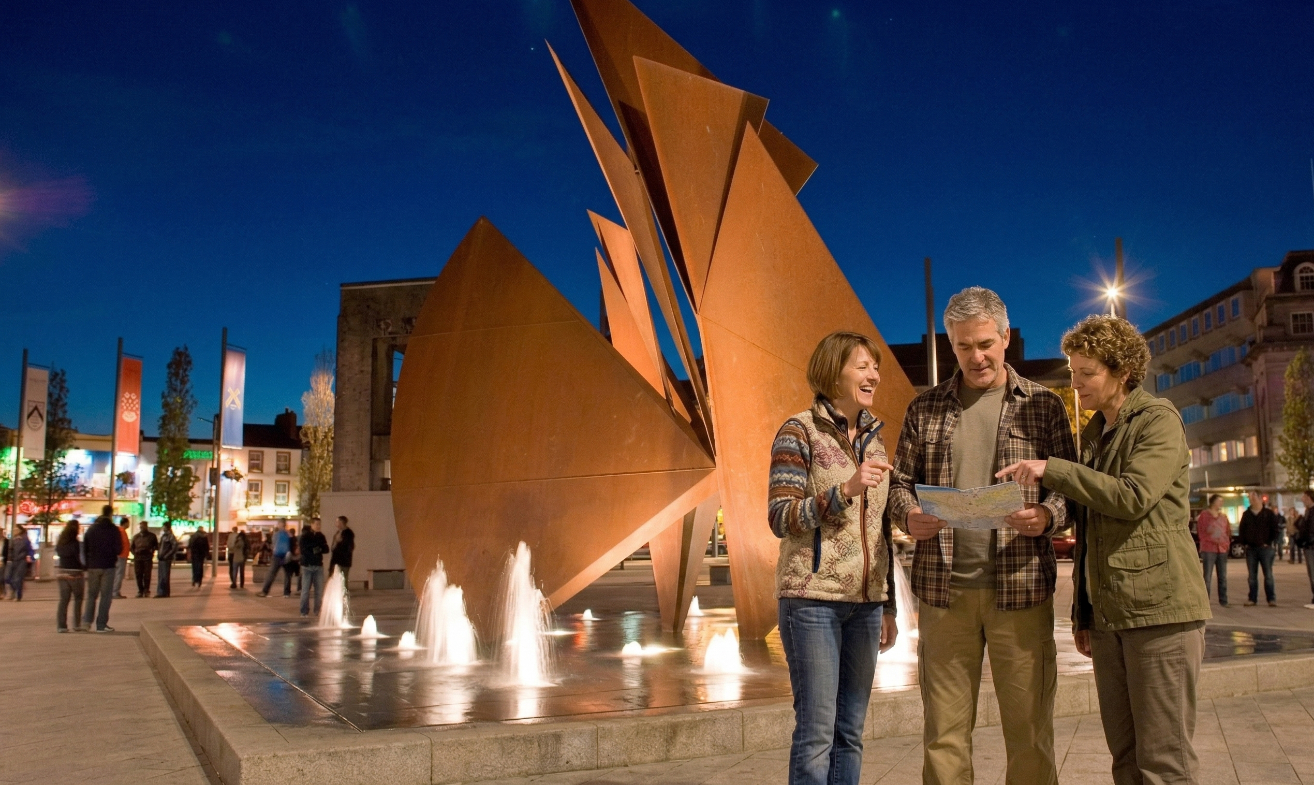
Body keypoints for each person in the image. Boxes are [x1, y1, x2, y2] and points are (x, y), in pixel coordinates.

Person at [999, 314, 1211, 785]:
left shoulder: (1158, 420)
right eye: (1073, 372)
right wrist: (1084, 615)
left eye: (1087, 373)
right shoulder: (1095, 433)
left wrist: (1053, 469)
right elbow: (1091, 528)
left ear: (1123, 371)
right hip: (1111, 617)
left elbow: (1132, 496)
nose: (1076, 384)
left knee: (1165, 761)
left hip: (1160, 614)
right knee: (1125, 757)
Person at [888, 287, 1077, 785]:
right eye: (964, 346)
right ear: (951, 344)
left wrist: (1047, 516)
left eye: (986, 344)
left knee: (1030, 731)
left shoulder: (1044, 406)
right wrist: (909, 515)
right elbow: (898, 484)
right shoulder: (924, 408)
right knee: (943, 734)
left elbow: (1070, 487)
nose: (977, 357)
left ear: (1006, 337)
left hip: (1021, 590)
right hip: (943, 593)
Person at [768, 331, 899, 785]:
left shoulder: (875, 440)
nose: (874, 375)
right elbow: (780, 516)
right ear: (833, 372)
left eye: (876, 367)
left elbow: (880, 529)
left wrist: (888, 605)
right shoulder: (798, 431)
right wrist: (845, 490)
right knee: (817, 734)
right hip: (812, 601)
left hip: (866, 606)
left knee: (851, 734)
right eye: (862, 366)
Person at [84, 506, 122, 632]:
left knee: (91, 595)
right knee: (105, 596)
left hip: (93, 566)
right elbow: (119, 549)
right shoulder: (114, 530)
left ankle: (86, 622)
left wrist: (87, 563)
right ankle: (101, 624)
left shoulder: (91, 529)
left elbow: (85, 547)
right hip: (108, 566)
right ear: (111, 514)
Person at [1239, 491, 1279, 607]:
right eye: (1250, 498)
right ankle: (1252, 598)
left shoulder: (1268, 513)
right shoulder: (1247, 514)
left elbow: (1275, 529)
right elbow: (1242, 530)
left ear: (1260, 498)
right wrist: (1245, 543)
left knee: (1268, 575)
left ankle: (1271, 599)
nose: (1252, 500)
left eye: (1254, 497)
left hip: (1265, 549)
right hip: (1251, 549)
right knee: (1252, 576)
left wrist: (1268, 542)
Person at [1197, 494, 1231, 607]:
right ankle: (1205, 601)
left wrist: (1226, 543)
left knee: (1222, 576)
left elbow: (1227, 531)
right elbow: (1201, 531)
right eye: (1219, 501)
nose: (1221, 503)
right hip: (1209, 548)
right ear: (1213, 502)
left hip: (1222, 549)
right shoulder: (1204, 516)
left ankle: (1223, 600)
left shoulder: (1223, 517)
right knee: (1207, 576)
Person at [55, 519, 86, 632]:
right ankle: (77, 624)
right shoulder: (76, 543)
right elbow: (80, 558)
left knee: (64, 600)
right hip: (75, 572)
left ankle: (61, 626)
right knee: (78, 599)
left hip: (62, 572)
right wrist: (84, 567)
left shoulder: (60, 543)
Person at [299, 518, 329, 617]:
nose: (318, 526)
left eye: (319, 524)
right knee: (305, 590)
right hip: (307, 566)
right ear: (311, 524)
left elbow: (326, 549)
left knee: (319, 591)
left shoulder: (321, 536)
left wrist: (316, 549)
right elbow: (304, 550)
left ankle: (317, 611)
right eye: (317, 524)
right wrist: (316, 549)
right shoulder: (305, 536)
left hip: (318, 566)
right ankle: (304, 611)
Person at [259, 520, 291, 597]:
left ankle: (265, 591)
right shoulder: (288, 534)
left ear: (280, 524)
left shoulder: (276, 534)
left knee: (271, 574)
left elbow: (273, 544)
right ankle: (286, 592)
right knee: (287, 574)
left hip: (277, 556)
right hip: (286, 556)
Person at [131, 521, 158, 598]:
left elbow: (156, 546)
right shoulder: (136, 537)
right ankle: (140, 590)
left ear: (146, 526)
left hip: (147, 558)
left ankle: (146, 590)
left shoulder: (152, 536)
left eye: (143, 526)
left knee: (147, 574)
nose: (142, 528)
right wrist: (135, 553)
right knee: (138, 574)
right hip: (138, 558)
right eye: (141, 527)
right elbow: (132, 547)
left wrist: (151, 552)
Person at [4, 529, 33, 601]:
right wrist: (9, 559)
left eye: (17, 529)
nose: (15, 530)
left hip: (21, 561)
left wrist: (29, 557)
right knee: (7, 577)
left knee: (18, 578)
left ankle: (18, 595)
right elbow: (10, 550)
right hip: (12, 560)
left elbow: (30, 550)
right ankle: (14, 590)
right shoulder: (13, 540)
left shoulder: (25, 540)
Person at [1296, 491, 1314, 608]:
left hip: (1311, 546)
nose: (1302, 499)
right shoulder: (1308, 511)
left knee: (1313, 572)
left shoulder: (1311, 512)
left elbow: (1310, 530)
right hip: (1308, 545)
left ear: (1308, 497)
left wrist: (1307, 540)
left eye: (1303, 497)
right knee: (1311, 573)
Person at [329, 516, 356, 587]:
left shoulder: (348, 533)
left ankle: (343, 593)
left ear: (341, 522)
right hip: (335, 560)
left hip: (344, 561)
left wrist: (340, 542)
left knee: (343, 581)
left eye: (337, 522)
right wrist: (336, 542)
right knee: (334, 580)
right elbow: (333, 547)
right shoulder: (338, 532)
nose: (336, 524)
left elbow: (349, 547)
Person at [156, 521, 178, 598]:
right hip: (161, 558)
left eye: (164, 526)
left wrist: (167, 555)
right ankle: (162, 592)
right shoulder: (163, 536)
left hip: (166, 559)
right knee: (161, 575)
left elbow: (174, 546)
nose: (163, 528)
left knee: (164, 576)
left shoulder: (170, 536)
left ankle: (163, 592)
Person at [113, 517, 131, 599]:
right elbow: (122, 544)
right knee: (119, 574)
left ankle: (116, 591)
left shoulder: (120, 531)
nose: (129, 524)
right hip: (121, 556)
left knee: (118, 574)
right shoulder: (121, 531)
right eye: (128, 523)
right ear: (125, 523)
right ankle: (115, 592)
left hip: (121, 555)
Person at [284, 526, 301, 595]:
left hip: (289, 560)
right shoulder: (296, 540)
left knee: (288, 576)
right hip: (296, 560)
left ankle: (286, 592)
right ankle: (299, 589)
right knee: (299, 575)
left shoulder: (288, 540)